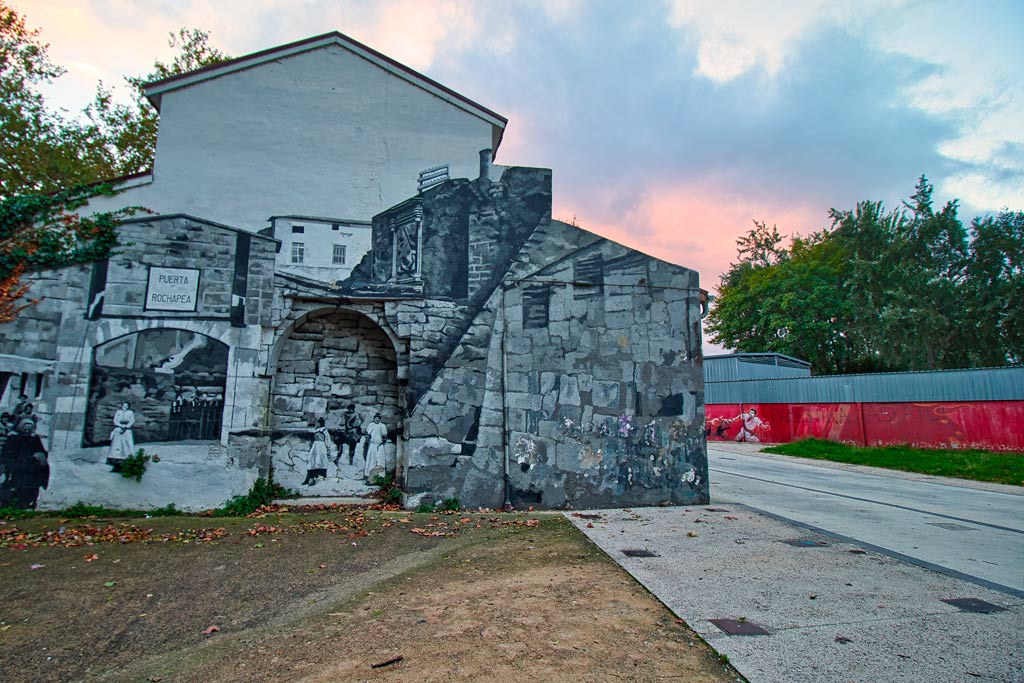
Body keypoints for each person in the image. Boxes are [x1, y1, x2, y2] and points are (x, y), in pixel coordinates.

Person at [0, 418, 49, 509]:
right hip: (19, 467)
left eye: (29, 429)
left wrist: (40, 456)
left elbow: (41, 450)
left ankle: (29, 504)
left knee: (32, 488)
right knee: (17, 487)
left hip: (32, 468)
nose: (27, 431)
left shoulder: (34, 438)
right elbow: (7, 454)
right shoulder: (14, 438)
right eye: (25, 429)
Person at [108, 401, 136, 469]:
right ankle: (115, 462)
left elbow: (132, 420)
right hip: (118, 429)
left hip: (127, 430)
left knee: (126, 445)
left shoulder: (130, 412)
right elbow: (115, 420)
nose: (125, 407)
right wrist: (120, 425)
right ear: (122, 406)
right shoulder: (118, 412)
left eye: (126, 406)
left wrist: (127, 426)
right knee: (117, 445)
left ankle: (127, 460)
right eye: (124, 406)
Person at [302, 418, 330, 486]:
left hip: (321, 446)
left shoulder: (324, 430)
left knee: (320, 460)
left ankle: (319, 476)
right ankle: (309, 478)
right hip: (315, 446)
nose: (317, 424)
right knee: (312, 459)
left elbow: (327, 439)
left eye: (318, 423)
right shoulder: (316, 430)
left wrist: (328, 448)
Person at [363, 413, 388, 481]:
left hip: (380, 445)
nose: (377, 419)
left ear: (380, 419)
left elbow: (385, 436)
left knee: (380, 460)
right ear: (374, 418)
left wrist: (382, 442)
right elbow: (367, 434)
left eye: (378, 418)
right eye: (375, 418)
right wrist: (367, 437)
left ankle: (381, 476)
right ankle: (369, 476)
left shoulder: (382, 426)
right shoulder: (371, 425)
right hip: (372, 445)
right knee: (371, 460)